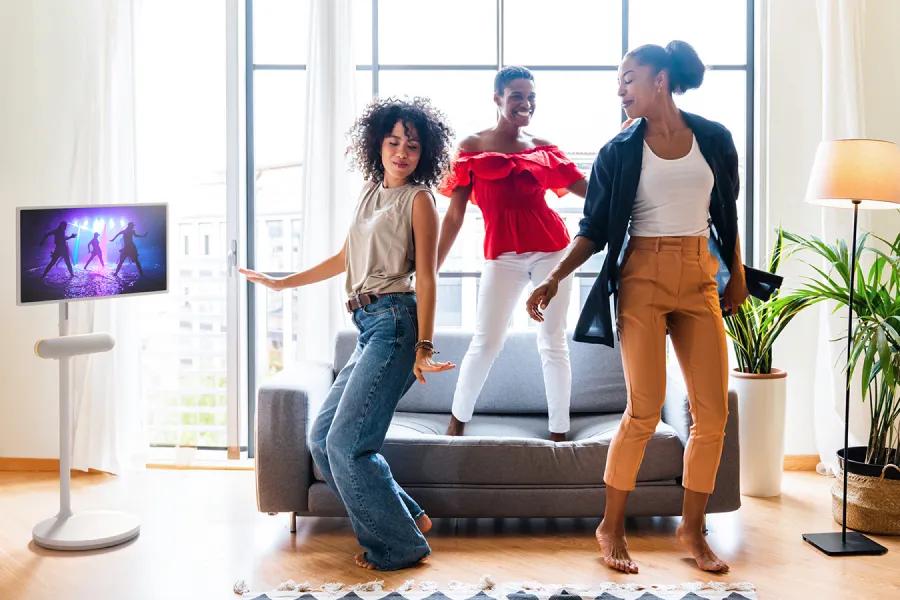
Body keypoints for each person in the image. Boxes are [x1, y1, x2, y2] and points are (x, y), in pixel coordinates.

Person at [526, 41, 752, 574]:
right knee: (644, 409)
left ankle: (692, 531)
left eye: (629, 77)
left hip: (699, 277)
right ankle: (611, 526)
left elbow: (727, 214)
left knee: (712, 414)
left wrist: (736, 275)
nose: (621, 89)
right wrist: (555, 277)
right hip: (642, 279)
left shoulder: (714, 139)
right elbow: (596, 230)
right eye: (618, 80)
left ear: (660, 78)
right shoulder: (618, 151)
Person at [240, 97, 455, 571]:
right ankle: (409, 519)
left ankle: (399, 547)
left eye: (413, 146)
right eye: (394, 141)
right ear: (377, 143)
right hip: (366, 323)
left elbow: (428, 278)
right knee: (321, 440)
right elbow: (346, 256)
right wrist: (283, 282)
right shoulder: (370, 191)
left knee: (347, 445)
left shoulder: (419, 200)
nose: (402, 152)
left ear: (425, 153)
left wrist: (424, 346)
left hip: (397, 325)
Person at [437, 66, 587, 442]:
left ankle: (559, 433)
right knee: (486, 340)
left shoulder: (542, 147)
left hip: (552, 251)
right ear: (498, 99)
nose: (526, 103)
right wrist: (432, 266)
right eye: (517, 95)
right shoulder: (472, 146)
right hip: (502, 255)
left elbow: (590, 190)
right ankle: (456, 422)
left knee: (552, 340)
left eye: (531, 96)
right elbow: (455, 214)